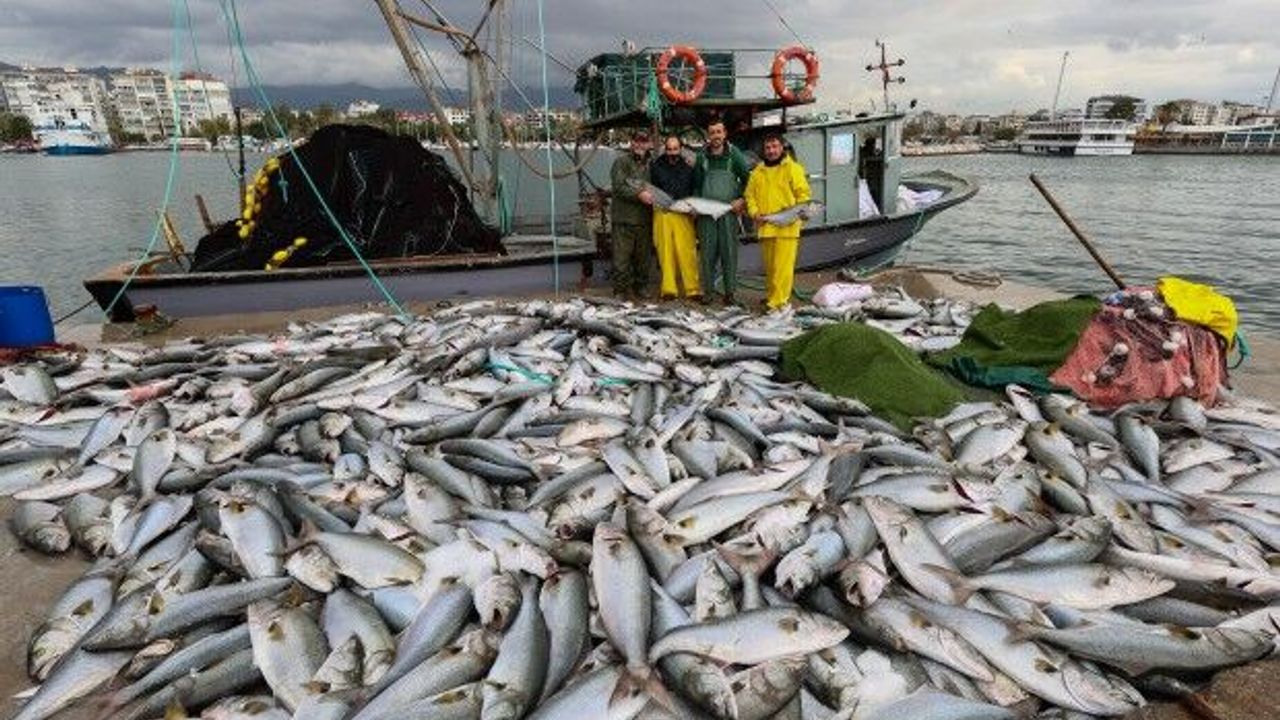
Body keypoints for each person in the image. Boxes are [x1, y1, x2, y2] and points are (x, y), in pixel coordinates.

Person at [745, 133, 811, 311]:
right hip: (766, 226)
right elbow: (749, 196)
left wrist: (802, 212)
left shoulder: (793, 168)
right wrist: (754, 212)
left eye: (775, 146)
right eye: (768, 148)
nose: (771, 150)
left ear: (782, 147)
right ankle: (772, 297)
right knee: (771, 268)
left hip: (787, 228)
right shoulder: (757, 172)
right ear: (763, 150)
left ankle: (778, 303)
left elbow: (803, 195)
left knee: (783, 269)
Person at [692, 119, 751, 305]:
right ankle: (708, 292)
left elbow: (749, 180)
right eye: (712, 133)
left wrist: (742, 199)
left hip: (728, 213)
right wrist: (695, 205)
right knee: (707, 253)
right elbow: (696, 185)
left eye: (719, 132)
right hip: (706, 214)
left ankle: (730, 293)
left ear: (724, 134)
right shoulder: (701, 157)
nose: (715, 136)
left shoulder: (735, 155)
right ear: (708, 136)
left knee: (729, 252)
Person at [648, 135, 701, 301]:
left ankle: (693, 290)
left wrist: (694, 208)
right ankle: (669, 289)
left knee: (687, 252)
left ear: (681, 149)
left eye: (675, 149)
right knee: (665, 252)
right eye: (669, 149)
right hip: (662, 214)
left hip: (683, 214)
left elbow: (694, 190)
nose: (672, 152)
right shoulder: (655, 167)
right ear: (665, 149)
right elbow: (652, 190)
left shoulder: (689, 167)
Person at [609, 131, 655, 299]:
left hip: (645, 219)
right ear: (631, 142)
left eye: (644, 141)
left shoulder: (652, 164)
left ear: (649, 143)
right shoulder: (621, 162)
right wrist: (639, 194)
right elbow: (619, 187)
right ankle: (620, 290)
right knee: (621, 258)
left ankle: (641, 287)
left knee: (643, 259)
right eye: (637, 141)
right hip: (624, 219)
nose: (640, 145)